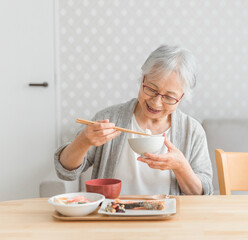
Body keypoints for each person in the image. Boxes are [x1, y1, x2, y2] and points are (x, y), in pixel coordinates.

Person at [54, 45, 213, 195]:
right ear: (143, 79)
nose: (156, 102)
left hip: (167, 221)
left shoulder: (192, 131)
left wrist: (181, 167)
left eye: (169, 97)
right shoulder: (110, 118)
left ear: (181, 97)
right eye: (151, 89)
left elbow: (203, 192)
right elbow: (65, 171)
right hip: (113, 218)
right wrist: (83, 141)